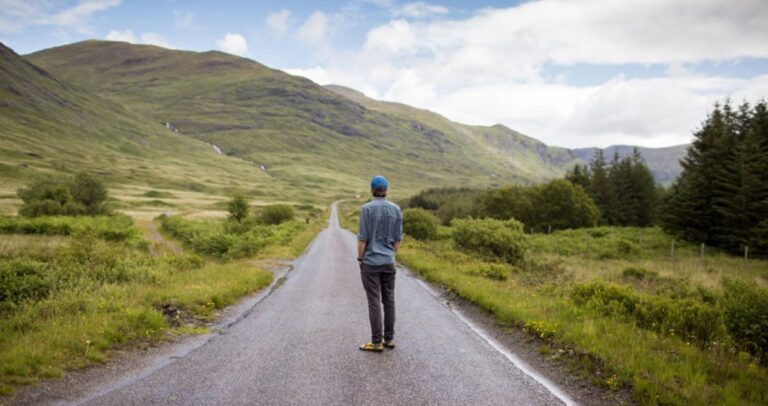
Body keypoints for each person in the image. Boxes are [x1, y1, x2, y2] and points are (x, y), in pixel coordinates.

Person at [357, 175, 402, 352]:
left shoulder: (366, 209)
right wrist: (390, 254)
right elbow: (398, 239)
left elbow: (362, 239)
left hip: (371, 262)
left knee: (374, 300)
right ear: (386, 190)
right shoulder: (396, 209)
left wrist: (360, 258)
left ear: (372, 190)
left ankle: (376, 342)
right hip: (389, 261)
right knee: (389, 299)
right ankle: (389, 339)